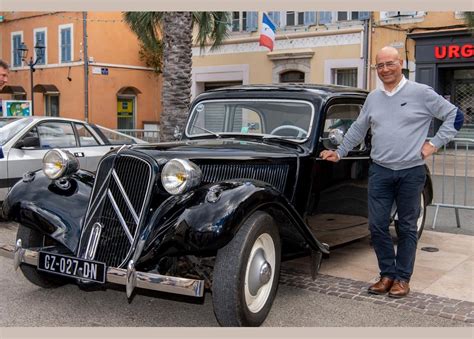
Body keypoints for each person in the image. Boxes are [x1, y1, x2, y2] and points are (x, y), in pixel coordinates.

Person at [320, 46, 464, 298]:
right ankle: (387, 274)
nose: (385, 69)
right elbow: (357, 128)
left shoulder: (421, 93)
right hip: (381, 171)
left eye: (390, 64)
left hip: (411, 172)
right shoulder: (373, 98)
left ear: (401, 64)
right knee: (376, 226)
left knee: (407, 227)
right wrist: (340, 151)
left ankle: (402, 279)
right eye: (380, 65)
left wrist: (433, 144)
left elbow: (455, 116)